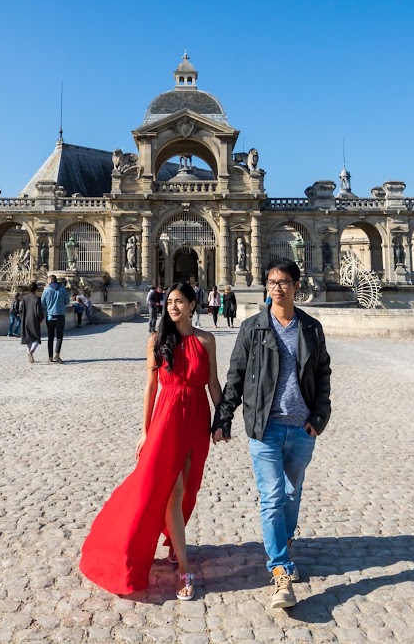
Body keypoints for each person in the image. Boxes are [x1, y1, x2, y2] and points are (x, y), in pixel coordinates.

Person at [79, 282, 223, 601]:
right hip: (167, 418)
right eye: (169, 302)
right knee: (168, 491)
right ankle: (185, 568)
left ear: (192, 305)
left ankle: (175, 543)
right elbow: (151, 387)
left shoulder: (206, 339)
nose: (173, 307)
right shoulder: (157, 340)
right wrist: (145, 431)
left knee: (188, 489)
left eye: (180, 301)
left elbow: (213, 382)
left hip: (196, 418)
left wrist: (222, 420)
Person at [212, 258, 332, 611]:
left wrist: (321, 415)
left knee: (292, 495)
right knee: (272, 496)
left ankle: (284, 540)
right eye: (271, 282)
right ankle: (280, 568)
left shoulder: (311, 327)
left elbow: (323, 373)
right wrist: (224, 418)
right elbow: (236, 375)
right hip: (264, 426)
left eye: (283, 282)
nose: (276, 287)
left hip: (301, 427)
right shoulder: (253, 328)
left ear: (296, 285)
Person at [42, 274, 69, 363]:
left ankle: (50, 356)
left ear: (49, 281)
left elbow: (42, 304)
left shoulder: (46, 290)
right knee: (59, 336)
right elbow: (67, 302)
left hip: (50, 316)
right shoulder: (63, 289)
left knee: (50, 336)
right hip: (60, 315)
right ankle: (57, 353)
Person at [15, 282, 45, 363]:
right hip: (34, 320)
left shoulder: (24, 298)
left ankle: (29, 353)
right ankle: (31, 352)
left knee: (28, 339)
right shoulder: (37, 298)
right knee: (36, 338)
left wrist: (22, 318)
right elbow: (39, 310)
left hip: (26, 320)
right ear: (36, 289)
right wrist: (41, 318)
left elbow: (20, 310)